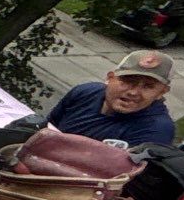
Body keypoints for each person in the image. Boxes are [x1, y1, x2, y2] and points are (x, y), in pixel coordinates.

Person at [45, 50, 176, 147]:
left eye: (148, 86)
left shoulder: (156, 129)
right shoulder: (84, 92)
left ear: (161, 92)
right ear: (109, 77)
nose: (134, 92)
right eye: (128, 81)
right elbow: (43, 131)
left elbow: (120, 178)